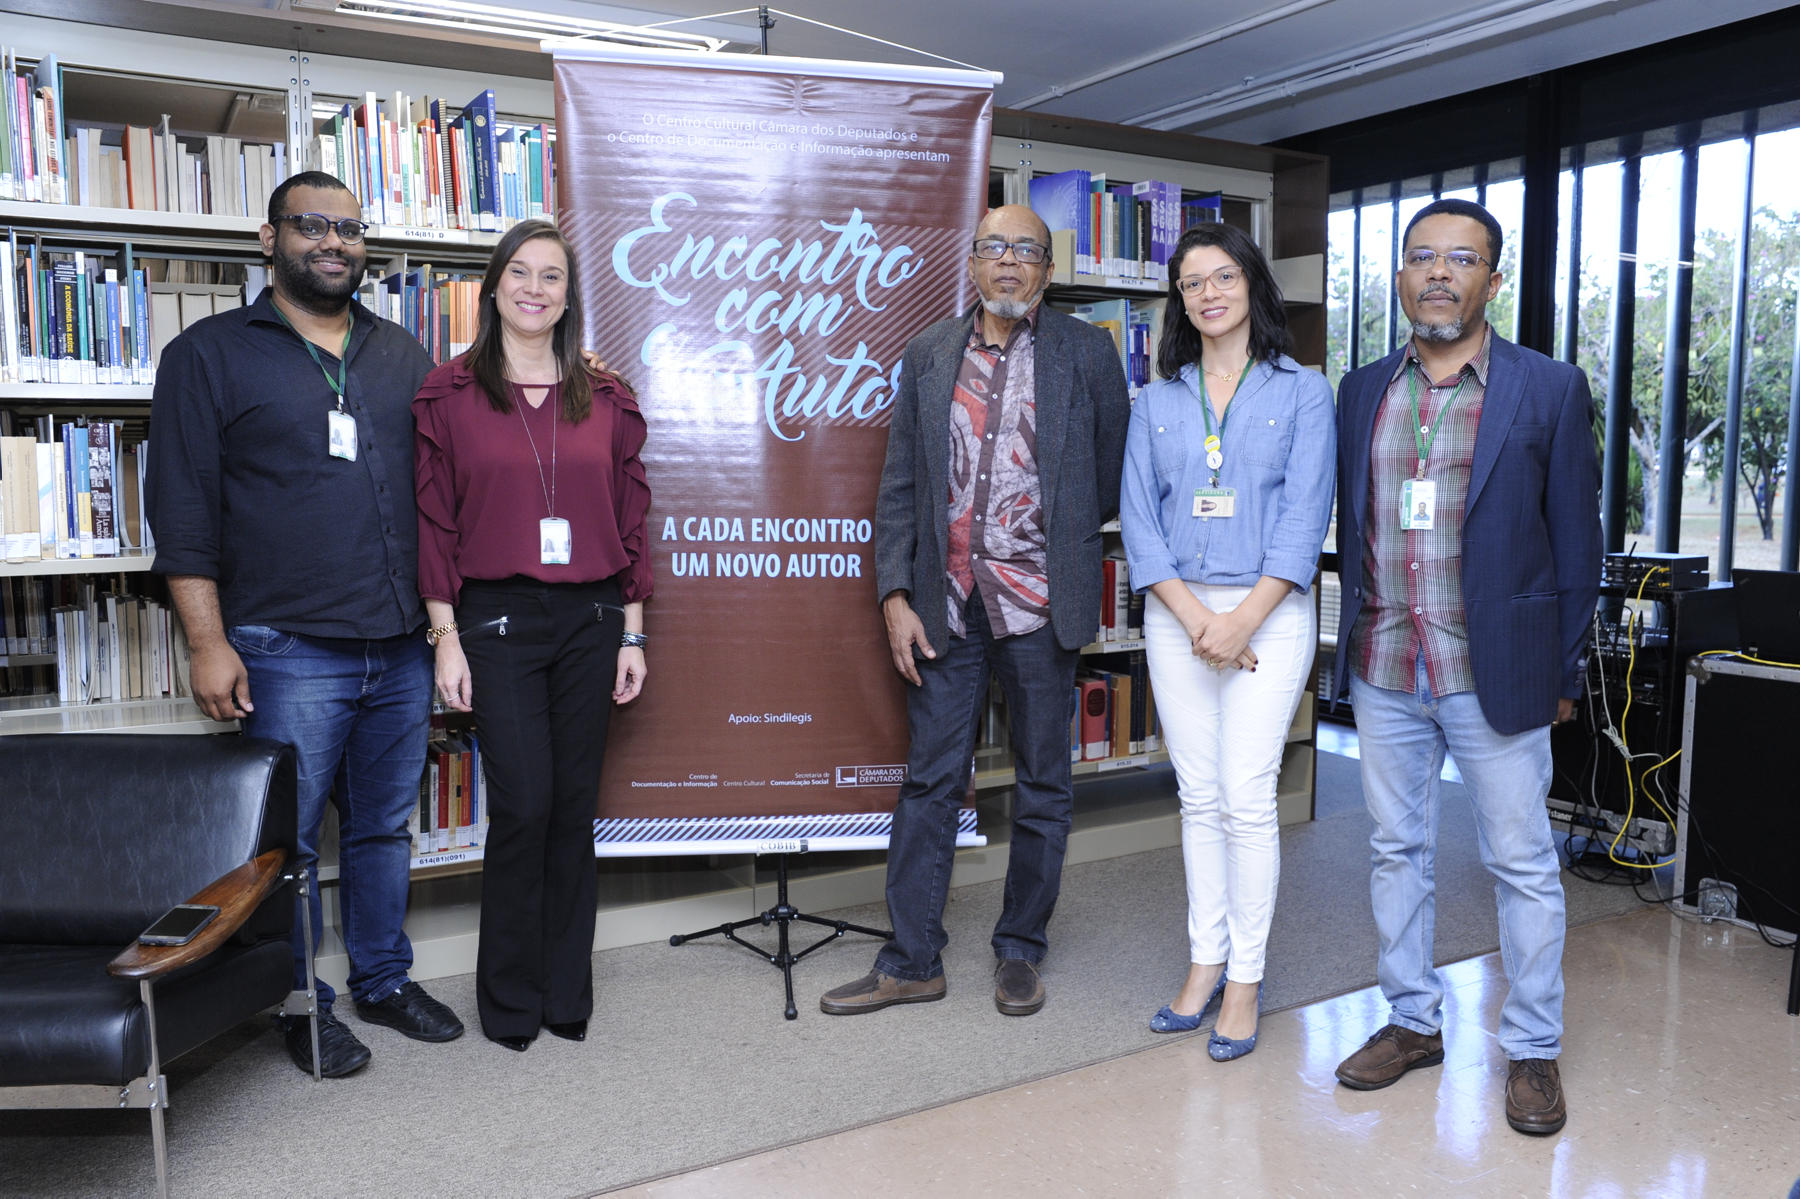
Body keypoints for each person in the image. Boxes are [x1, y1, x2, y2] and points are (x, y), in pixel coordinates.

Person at [148, 171, 464, 1078]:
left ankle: (383, 978)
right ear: (269, 237)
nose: (335, 242)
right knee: (283, 846)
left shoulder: (401, 354)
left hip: (401, 644)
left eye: (351, 228)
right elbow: (183, 508)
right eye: (313, 225)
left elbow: (475, 444)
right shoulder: (208, 354)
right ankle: (299, 1000)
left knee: (378, 829)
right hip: (286, 648)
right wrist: (208, 640)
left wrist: (568, 373)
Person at [1330, 198, 1601, 1134]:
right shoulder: (1362, 389)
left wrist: (1563, 666)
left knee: (1521, 861)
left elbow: (1578, 543)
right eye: (1420, 257)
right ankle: (1412, 1022)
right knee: (1394, 849)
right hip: (1387, 662)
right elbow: (1353, 526)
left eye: (1460, 258)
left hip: (1498, 669)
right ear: (1400, 276)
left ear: (1494, 277)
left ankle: (1531, 1045)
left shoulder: (1548, 387)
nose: (1438, 273)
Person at [820, 204, 1130, 1018]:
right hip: (946, 606)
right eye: (994, 247)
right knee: (929, 782)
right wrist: (894, 593)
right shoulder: (928, 353)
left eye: (1027, 251)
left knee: (1044, 786)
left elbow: (1106, 474)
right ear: (971, 263)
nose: (1009, 263)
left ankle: (1021, 948)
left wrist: (1049, 544)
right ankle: (912, 958)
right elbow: (900, 486)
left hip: (1039, 608)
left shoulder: (1085, 353)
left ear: (1046, 272)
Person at [413, 219, 651, 1052]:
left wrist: (634, 632)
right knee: (525, 804)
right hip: (495, 619)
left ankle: (565, 989)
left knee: (573, 809)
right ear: (493, 285)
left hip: (590, 621)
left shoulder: (606, 395)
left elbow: (634, 520)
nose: (535, 288)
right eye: (521, 271)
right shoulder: (448, 395)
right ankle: (509, 997)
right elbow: (434, 520)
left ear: (567, 295)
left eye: (552, 276)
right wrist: (445, 633)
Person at [1119, 223, 1335, 1060]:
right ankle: (1204, 962)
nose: (1208, 294)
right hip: (1178, 615)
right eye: (1190, 283)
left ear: (1251, 284)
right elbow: (1140, 519)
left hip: (1267, 612)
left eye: (1222, 277)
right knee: (1198, 795)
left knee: (1246, 795)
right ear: (1178, 299)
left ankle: (1246, 976)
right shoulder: (1159, 395)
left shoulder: (1303, 389)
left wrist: (1240, 621)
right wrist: (1194, 617)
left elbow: (1304, 514)